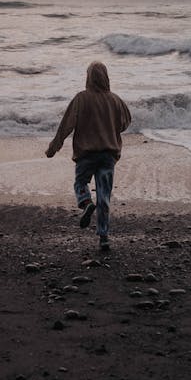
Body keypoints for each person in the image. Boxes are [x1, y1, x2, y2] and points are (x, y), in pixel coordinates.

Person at [45, 61, 131, 252]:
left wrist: (54, 147)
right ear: (106, 77)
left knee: (80, 183)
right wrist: (109, 126)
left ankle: (85, 203)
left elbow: (66, 125)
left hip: (86, 154)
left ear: (88, 77)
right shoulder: (115, 100)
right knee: (104, 196)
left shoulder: (81, 99)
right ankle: (104, 237)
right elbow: (125, 122)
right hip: (108, 154)